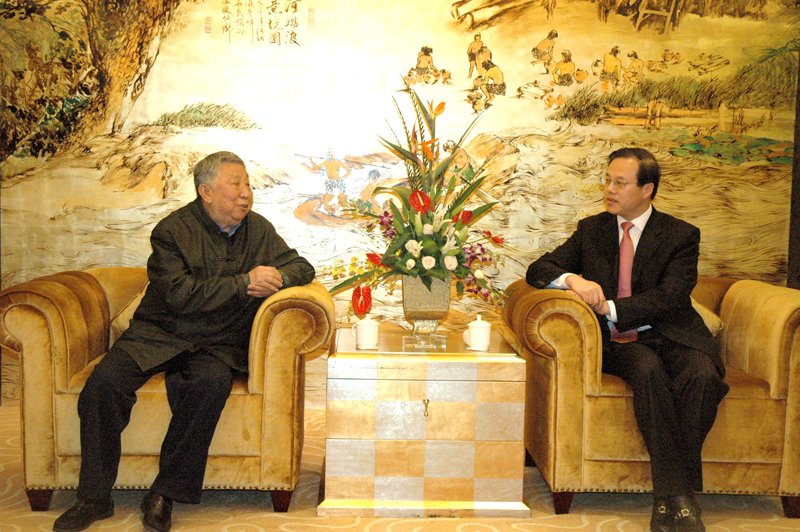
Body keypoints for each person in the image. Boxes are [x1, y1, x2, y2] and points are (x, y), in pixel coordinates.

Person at [53, 151, 316, 532]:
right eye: (236, 184)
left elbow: (302, 266)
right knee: (102, 385)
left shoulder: (258, 229)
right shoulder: (171, 231)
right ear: (206, 192)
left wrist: (277, 277)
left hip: (216, 342)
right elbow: (180, 294)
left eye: (247, 184)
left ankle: (164, 494)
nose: (246, 193)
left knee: (211, 383)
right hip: (160, 332)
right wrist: (244, 282)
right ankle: (93, 497)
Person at [525, 148, 728, 532]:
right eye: (607, 180)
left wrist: (611, 308)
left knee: (703, 376)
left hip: (671, 333)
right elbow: (538, 270)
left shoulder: (681, 235)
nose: (609, 189)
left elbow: (671, 297)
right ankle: (679, 499)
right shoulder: (592, 230)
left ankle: (671, 496)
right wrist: (574, 280)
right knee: (647, 370)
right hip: (619, 344)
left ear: (647, 189)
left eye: (620, 183)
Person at [309, 150, 351, 215]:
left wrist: (342, 178)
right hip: (331, 183)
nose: (330, 155)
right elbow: (316, 168)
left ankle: (349, 217)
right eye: (328, 154)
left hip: (338, 182)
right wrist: (312, 161)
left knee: (342, 201)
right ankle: (330, 215)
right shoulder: (326, 162)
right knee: (325, 202)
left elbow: (349, 171)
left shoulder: (339, 162)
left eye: (331, 154)